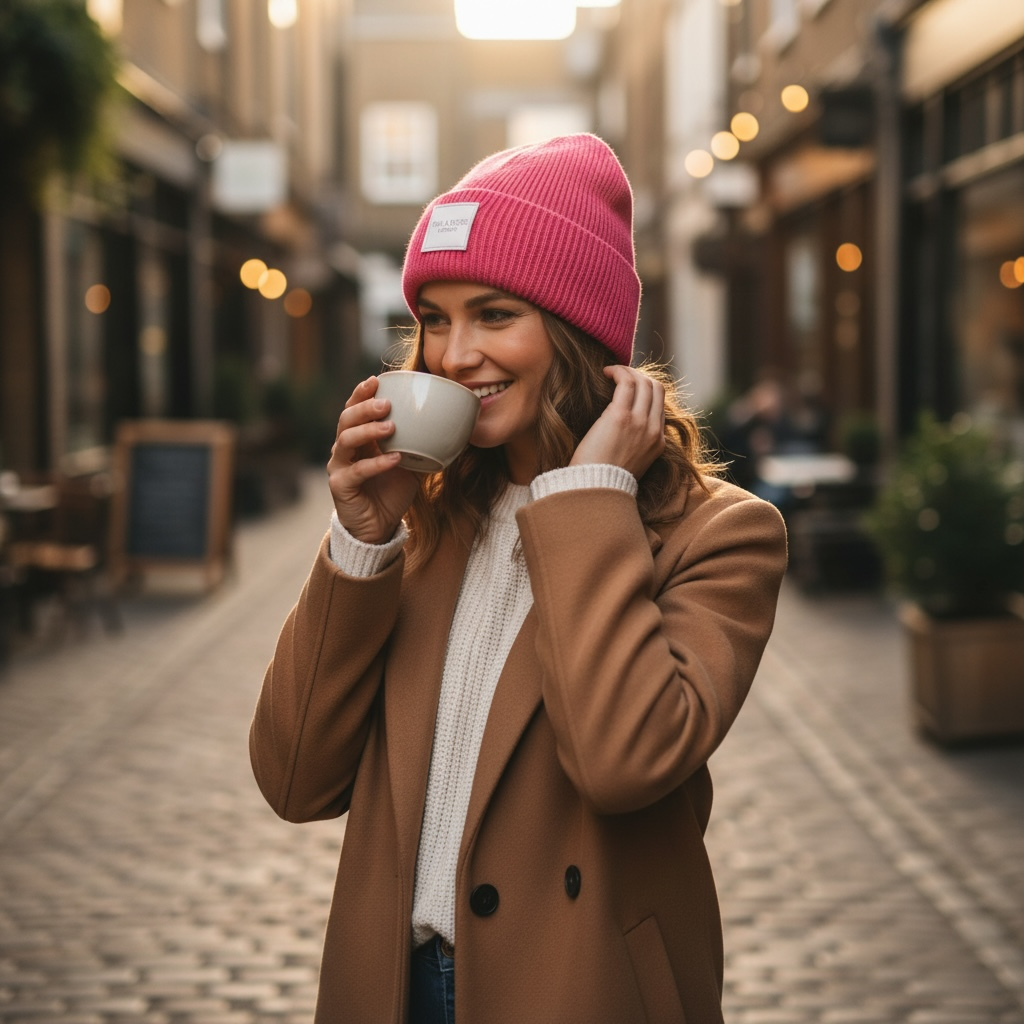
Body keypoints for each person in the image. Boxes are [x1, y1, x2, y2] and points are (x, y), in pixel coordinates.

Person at [250, 133, 788, 1024]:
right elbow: (295, 776)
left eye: (496, 314)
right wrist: (361, 540)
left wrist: (589, 496)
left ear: (575, 329)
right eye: (434, 317)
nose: (455, 355)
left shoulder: (720, 536)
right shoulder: (424, 519)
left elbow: (623, 762)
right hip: (394, 986)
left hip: (577, 988)